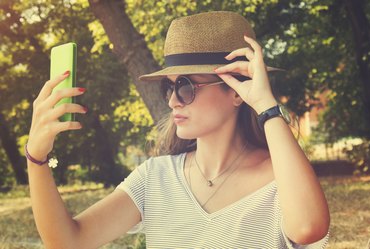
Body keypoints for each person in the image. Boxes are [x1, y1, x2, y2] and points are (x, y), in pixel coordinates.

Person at [26, 11, 330, 248]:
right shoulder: (154, 178)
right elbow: (67, 242)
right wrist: (36, 157)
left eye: (185, 86)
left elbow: (308, 227)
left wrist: (266, 104)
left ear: (238, 90)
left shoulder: (283, 178)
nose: (172, 100)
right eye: (168, 87)